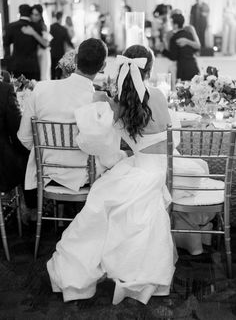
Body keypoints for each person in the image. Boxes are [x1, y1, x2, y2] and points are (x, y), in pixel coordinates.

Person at [47, 45, 176, 305]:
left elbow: (102, 141)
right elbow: (174, 137)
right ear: (149, 70)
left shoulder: (115, 104)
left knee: (103, 197)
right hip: (163, 169)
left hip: (139, 167)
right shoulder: (159, 96)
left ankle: (92, 265)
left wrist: (101, 100)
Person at [18, 39, 122, 198]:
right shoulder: (98, 101)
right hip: (86, 177)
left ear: (75, 59)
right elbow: (105, 149)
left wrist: (49, 154)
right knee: (121, 160)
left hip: (46, 173)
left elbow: (25, 138)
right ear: (103, 67)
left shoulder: (41, 89)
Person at [0, 70, 37, 220]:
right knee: (28, 155)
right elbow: (18, 134)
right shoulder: (4, 90)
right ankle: (31, 210)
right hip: (2, 170)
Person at [3, 4, 46, 80]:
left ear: (19, 12)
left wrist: (8, 60)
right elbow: (44, 45)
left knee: (18, 89)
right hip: (32, 66)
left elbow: (6, 44)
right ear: (29, 13)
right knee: (33, 89)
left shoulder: (10, 26)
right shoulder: (37, 26)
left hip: (16, 65)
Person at [162, 13, 199, 81]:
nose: (171, 25)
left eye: (171, 23)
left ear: (175, 25)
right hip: (194, 67)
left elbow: (173, 57)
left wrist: (163, 50)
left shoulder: (174, 38)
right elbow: (196, 50)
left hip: (183, 70)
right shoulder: (189, 34)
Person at [50, 11, 74, 79]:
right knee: (59, 67)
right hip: (60, 51)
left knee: (52, 68)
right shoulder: (63, 29)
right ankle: (58, 79)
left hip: (52, 51)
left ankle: (52, 79)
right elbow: (68, 40)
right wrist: (74, 47)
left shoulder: (52, 26)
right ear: (61, 18)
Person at [31, 4, 51, 81]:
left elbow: (46, 43)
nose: (33, 16)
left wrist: (33, 33)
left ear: (40, 15)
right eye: (32, 14)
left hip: (44, 53)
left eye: (36, 15)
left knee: (44, 77)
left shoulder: (43, 26)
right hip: (36, 54)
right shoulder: (32, 25)